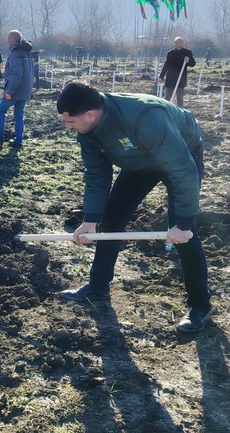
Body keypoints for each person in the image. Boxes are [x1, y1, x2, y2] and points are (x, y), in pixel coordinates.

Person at [56, 81, 212, 332]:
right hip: (141, 160)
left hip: (181, 152)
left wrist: (182, 223)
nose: (68, 126)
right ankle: (98, 286)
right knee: (112, 216)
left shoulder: (144, 116)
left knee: (183, 231)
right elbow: (96, 173)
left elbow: (182, 169)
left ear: (90, 114)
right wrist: (91, 218)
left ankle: (199, 306)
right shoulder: (87, 130)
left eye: (70, 121)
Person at [0, 30, 33, 148]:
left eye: (7, 38)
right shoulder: (27, 53)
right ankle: (18, 141)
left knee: (0, 110)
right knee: (19, 115)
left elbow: (17, 74)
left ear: (12, 39)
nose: (6, 41)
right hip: (25, 91)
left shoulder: (15, 54)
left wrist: (9, 91)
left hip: (15, 90)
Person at [157, 36, 196, 108]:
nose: (179, 44)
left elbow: (193, 63)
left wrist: (188, 61)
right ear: (174, 44)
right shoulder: (170, 53)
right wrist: (161, 76)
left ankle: (180, 113)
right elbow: (166, 65)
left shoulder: (187, 52)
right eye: (177, 43)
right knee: (167, 98)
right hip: (170, 78)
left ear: (183, 43)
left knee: (180, 99)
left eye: (180, 42)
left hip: (181, 79)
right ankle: (166, 111)